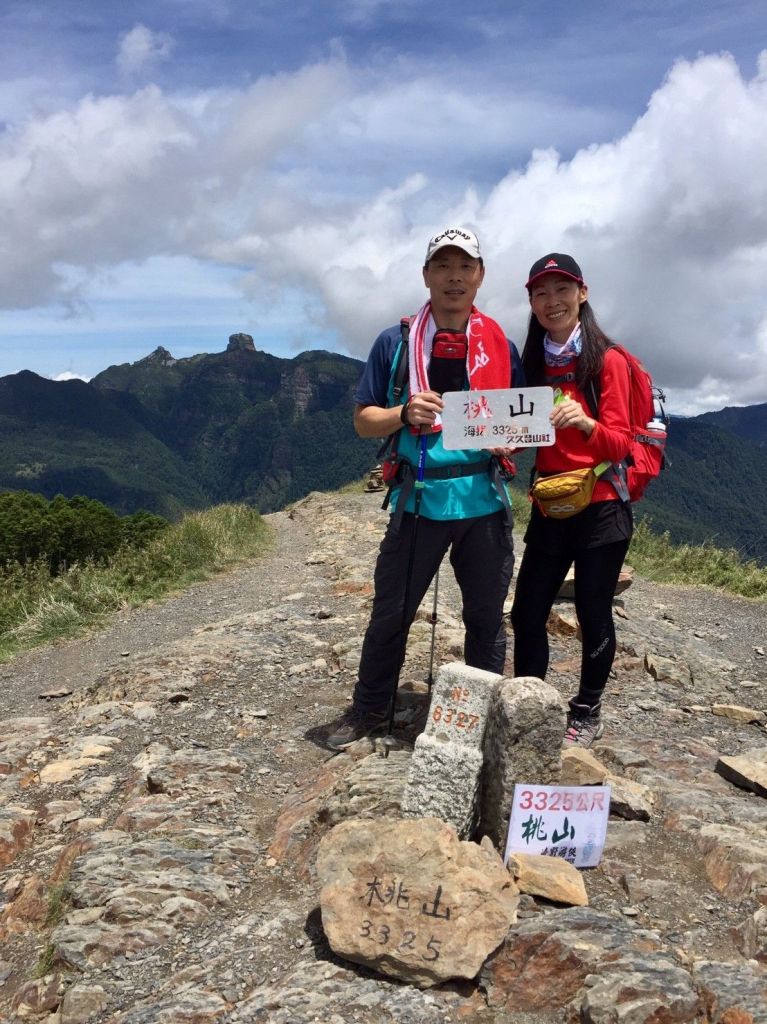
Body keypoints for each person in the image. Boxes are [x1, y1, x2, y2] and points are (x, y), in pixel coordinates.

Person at [326, 227, 523, 751]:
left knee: (486, 618)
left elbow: (522, 422)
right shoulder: (395, 342)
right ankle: (369, 711)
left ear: (479, 276)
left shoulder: (501, 345)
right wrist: (402, 412)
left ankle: (482, 718)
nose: (454, 276)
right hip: (418, 499)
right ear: (426, 275)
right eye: (443, 266)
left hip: (483, 500)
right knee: (392, 610)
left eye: (465, 266)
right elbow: (364, 422)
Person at [510, 253, 633, 748]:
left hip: (602, 502)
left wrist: (586, 424)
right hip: (550, 503)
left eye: (562, 290)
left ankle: (586, 710)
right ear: (532, 302)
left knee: (593, 610)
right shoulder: (534, 363)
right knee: (526, 610)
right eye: (542, 293)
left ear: (582, 293)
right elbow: (521, 431)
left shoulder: (608, 361)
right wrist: (500, 441)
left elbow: (621, 442)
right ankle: (534, 704)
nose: (552, 301)